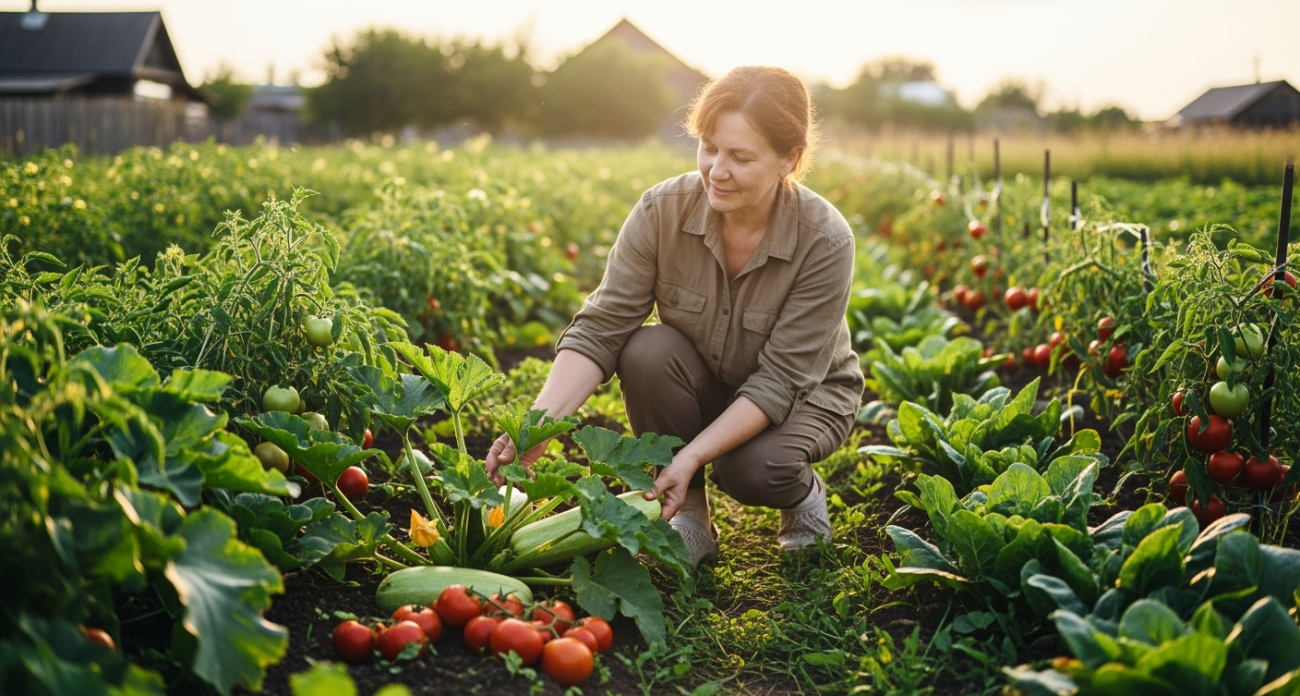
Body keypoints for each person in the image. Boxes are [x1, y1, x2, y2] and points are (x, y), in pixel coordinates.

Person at [486, 66, 863, 569]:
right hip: (707, 376)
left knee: (750, 469)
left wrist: (689, 456)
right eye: (709, 147)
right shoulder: (661, 211)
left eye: (741, 157)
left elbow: (780, 381)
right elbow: (603, 327)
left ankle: (802, 498)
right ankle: (690, 517)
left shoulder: (825, 240)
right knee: (644, 350)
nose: (717, 170)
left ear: (788, 160)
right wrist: (539, 425)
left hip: (804, 396)